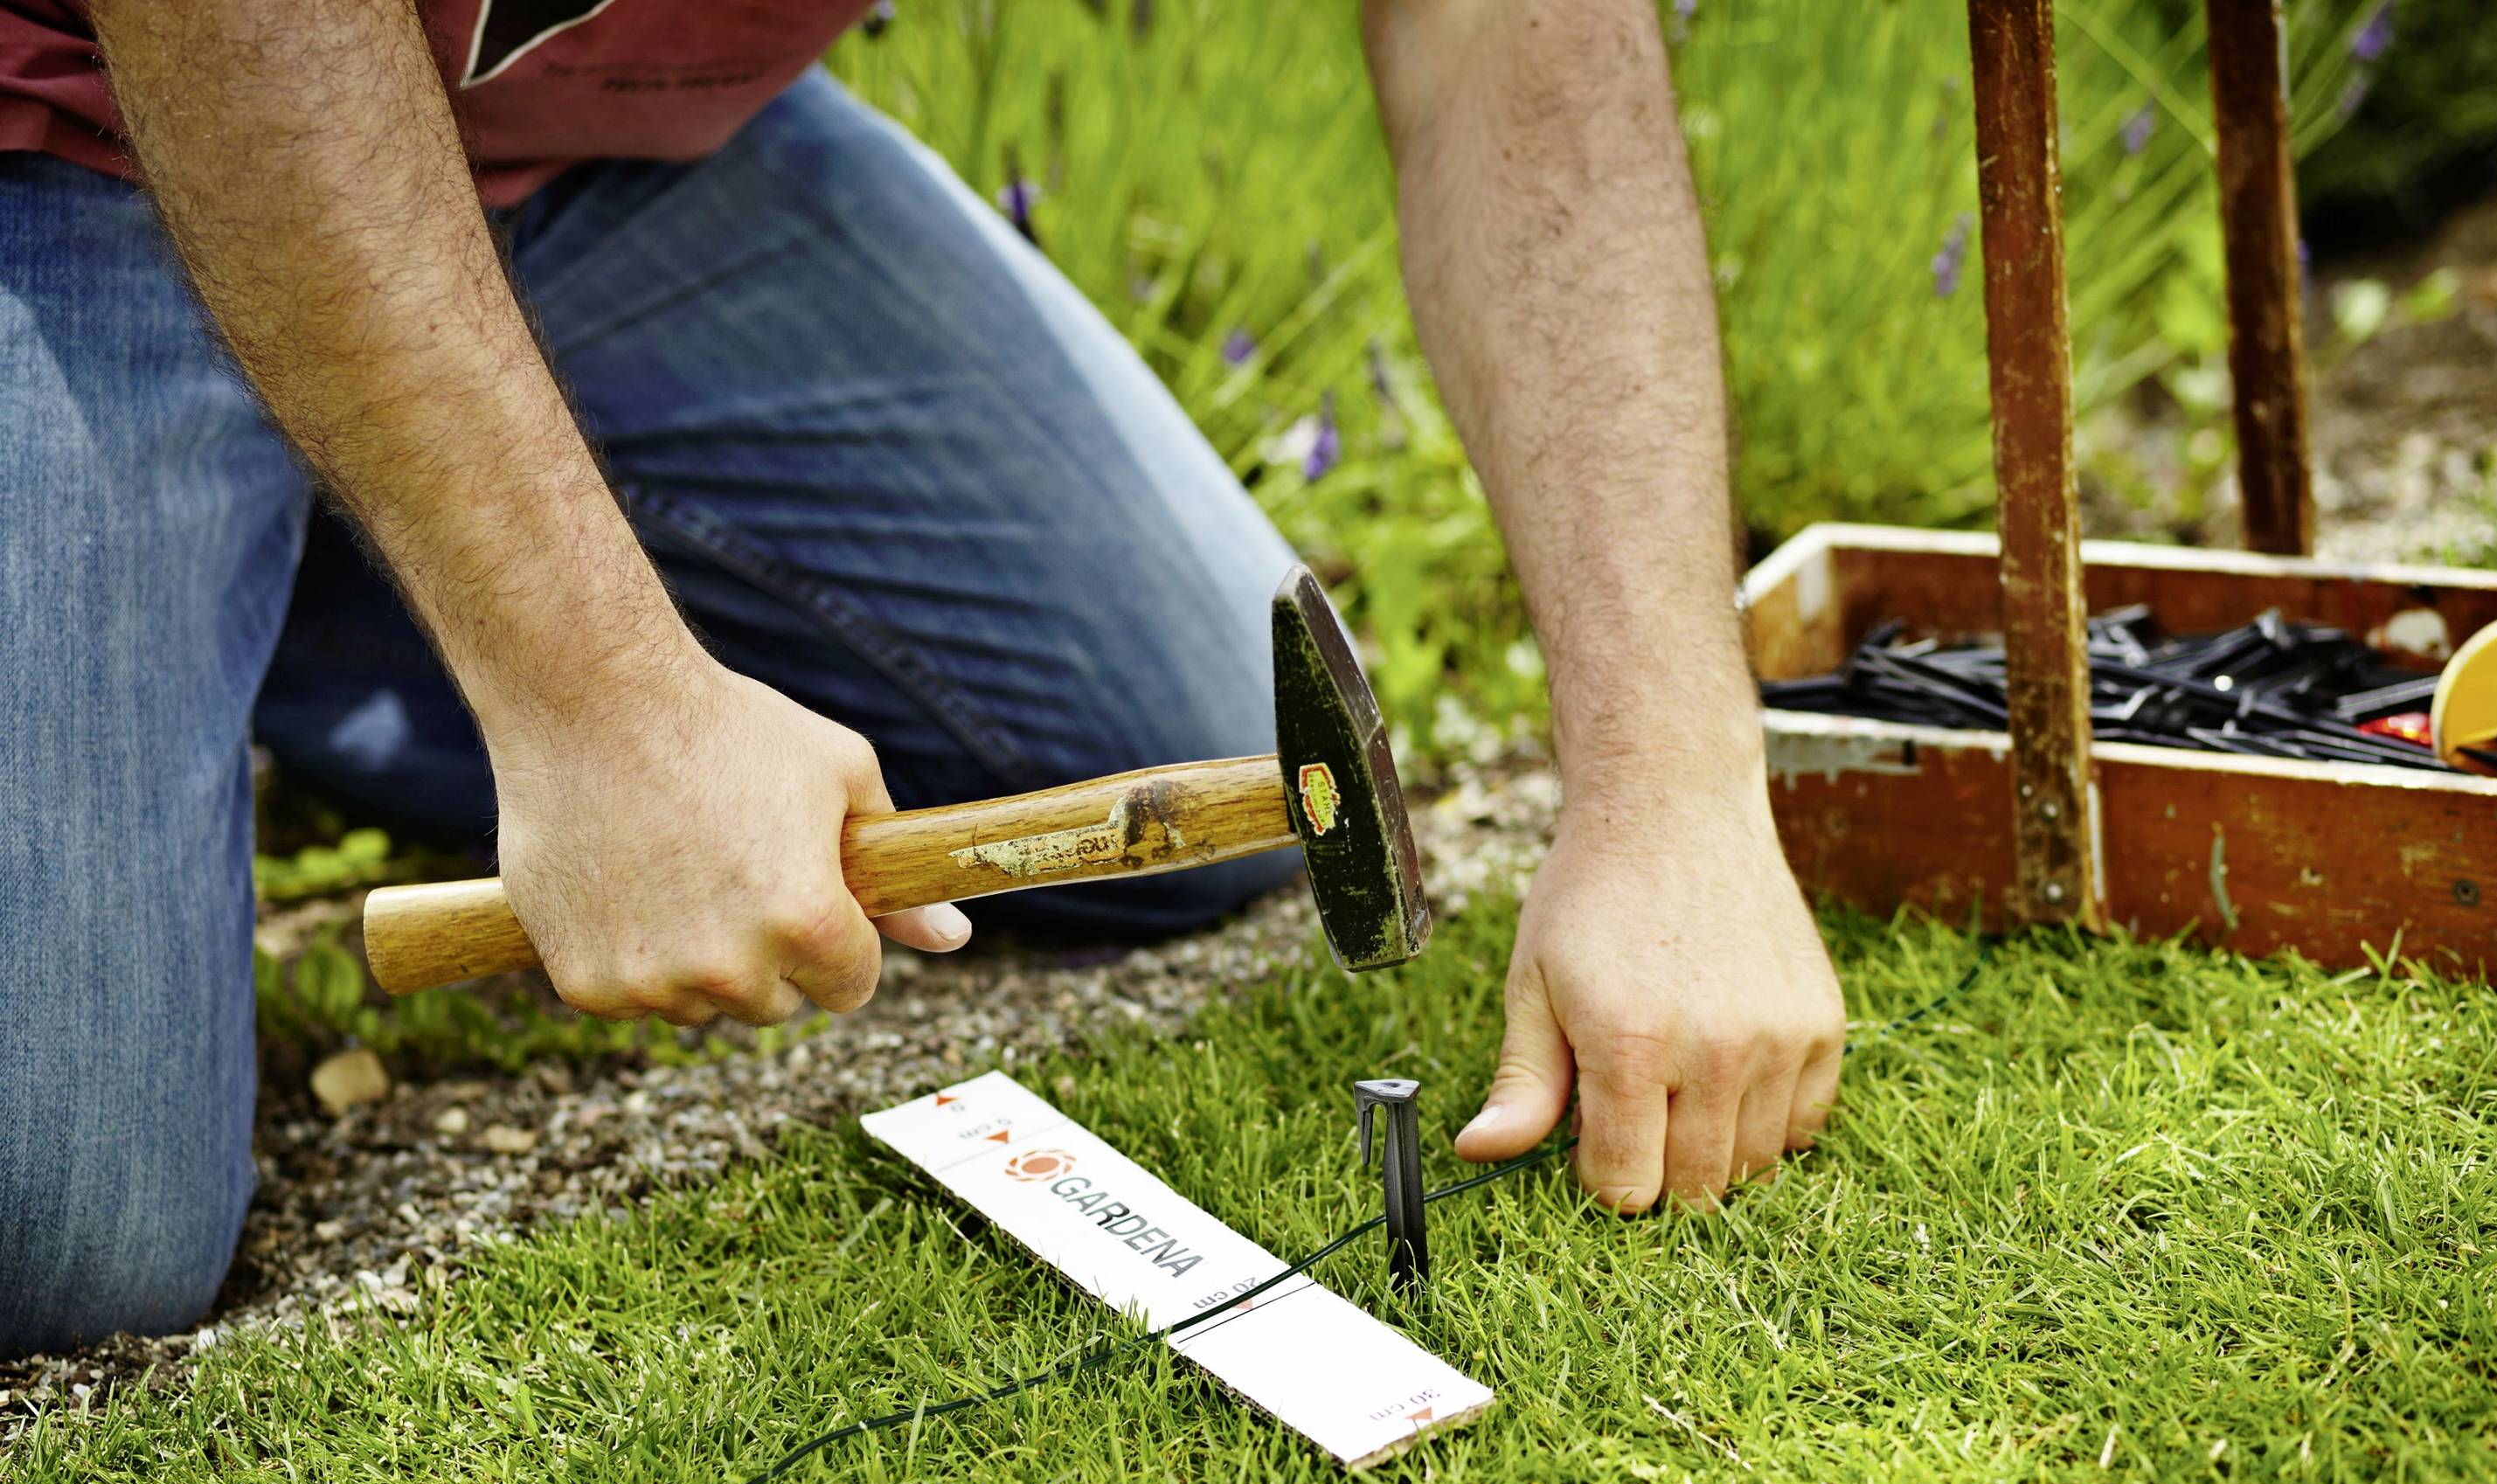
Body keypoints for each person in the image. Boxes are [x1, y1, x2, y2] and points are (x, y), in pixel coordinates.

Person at [0, 0, 1844, 1358]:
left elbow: (1507, 35)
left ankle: (306, 567)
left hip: (600, 163)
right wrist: (594, 703)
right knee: (68, 1239)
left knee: (1183, 735)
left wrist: (1674, 790)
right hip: (81, 139)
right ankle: (289, 555)